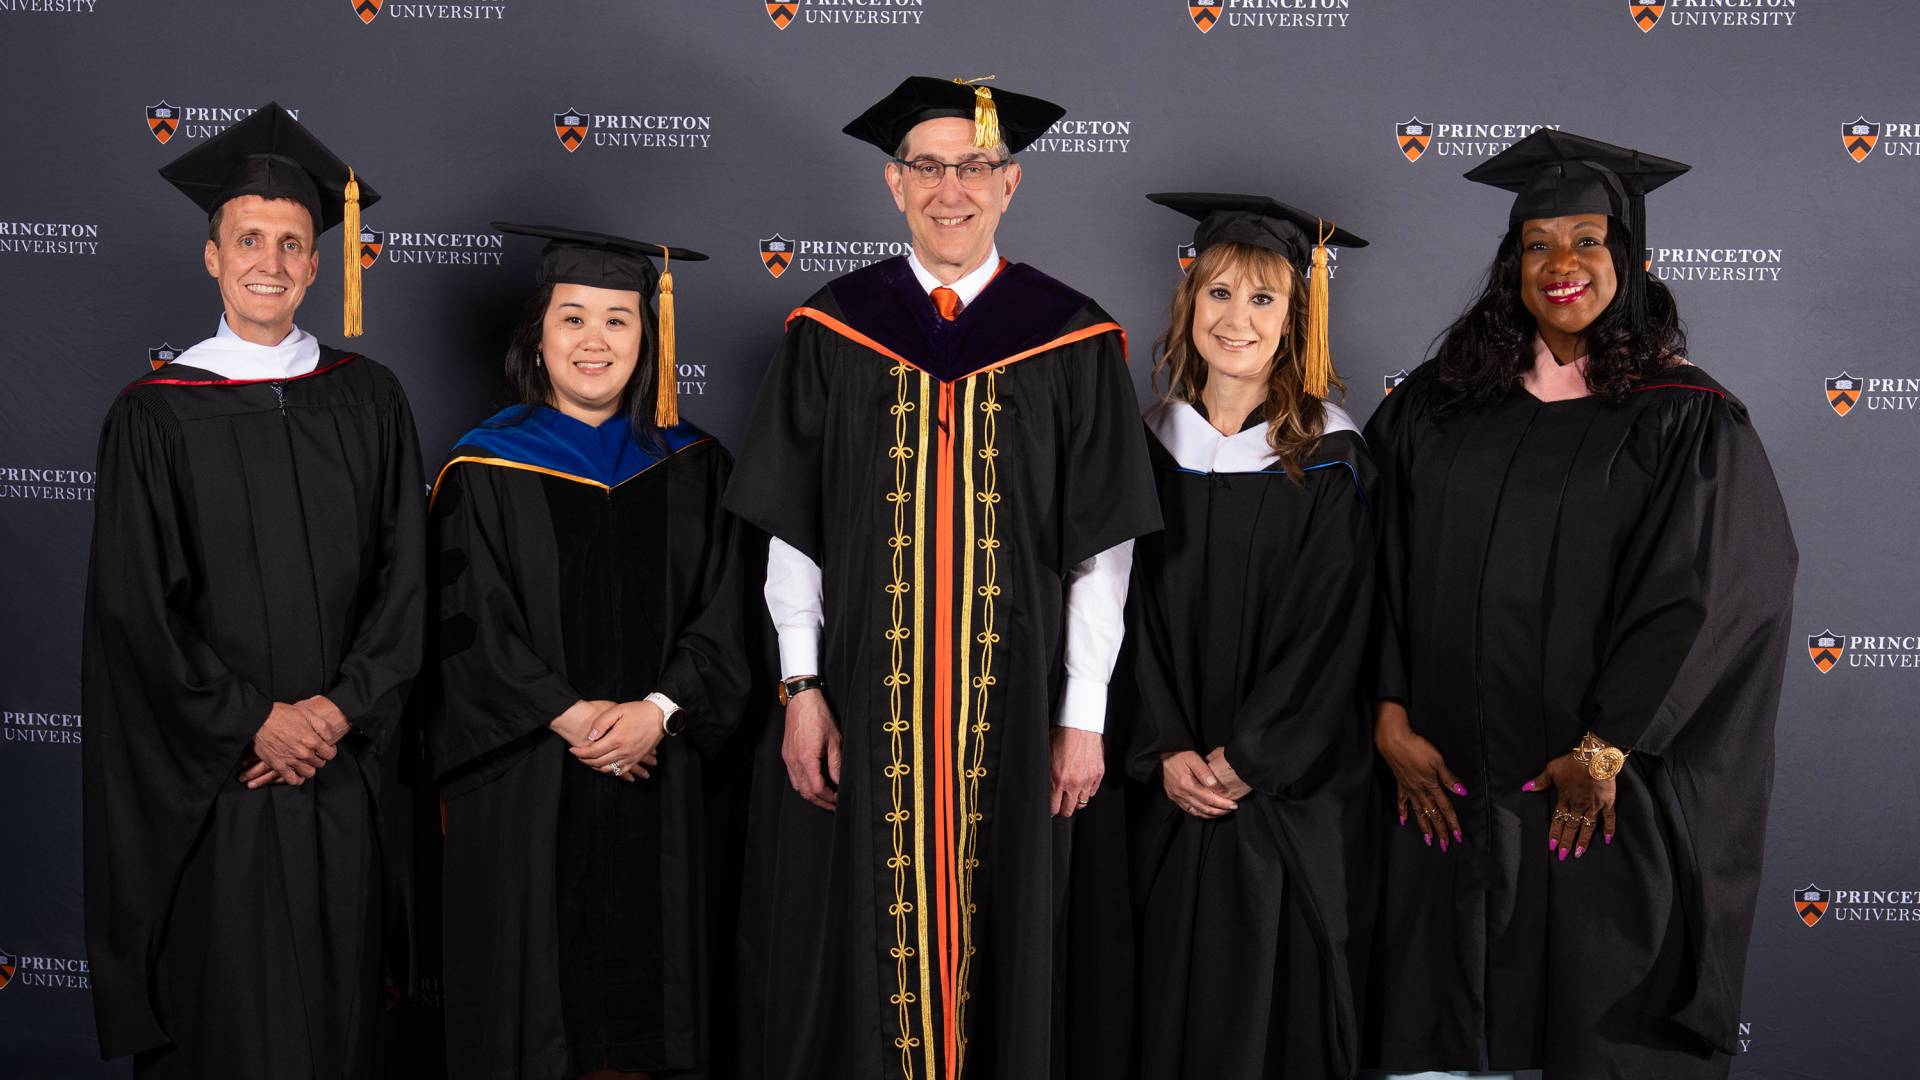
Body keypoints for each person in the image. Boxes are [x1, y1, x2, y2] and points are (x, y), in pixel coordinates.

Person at [725, 76, 1161, 1079]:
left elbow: (1105, 548)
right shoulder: (836, 331)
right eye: (928, 167)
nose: (950, 188)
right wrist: (799, 688)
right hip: (863, 699)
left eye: (974, 167)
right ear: (893, 184)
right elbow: (794, 529)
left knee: (1007, 934)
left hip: (1015, 703)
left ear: (1009, 185)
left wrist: (1084, 711)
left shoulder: (1072, 338)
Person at [1363, 131, 1797, 1079]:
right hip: (1444, 790)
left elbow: (1713, 597)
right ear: (1509, 264)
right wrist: (1389, 713)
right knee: (1440, 1027)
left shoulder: (1684, 418)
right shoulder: (1437, 409)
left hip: (1597, 803)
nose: (1561, 266)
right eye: (1537, 244)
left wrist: (1603, 753)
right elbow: (1375, 567)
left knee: (1593, 1028)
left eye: (1588, 241)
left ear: (1629, 260)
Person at [81, 102, 425, 1078]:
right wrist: (250, 722)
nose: (269, 261)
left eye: (291, 242)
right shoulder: (155, 415)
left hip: (339, 775)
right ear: (212, 257)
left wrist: (335, 710)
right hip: (219, 788)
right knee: (223, 1018)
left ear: (319, 264)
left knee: (340, 1023)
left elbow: (406, 586)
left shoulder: (369, 397)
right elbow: (134, 612)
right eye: (248, 240)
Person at [427, 224, 755, 1079]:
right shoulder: (482, 468)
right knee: (534, 1014)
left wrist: (658, 711)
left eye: (617, 319)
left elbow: (727, 617)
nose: (594, 341)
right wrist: (571, 718)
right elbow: (466, 625)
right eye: (572, 318)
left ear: (649, 338)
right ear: (536, 337)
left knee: (660, 1003)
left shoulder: (698, 466)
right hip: (530, 776)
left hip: (665, 770)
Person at [1126, 193, 1376, 1080]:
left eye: (1263, 299)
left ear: (1295, 318)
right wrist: (1163, 748)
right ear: (1188, 302)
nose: (1236, 319)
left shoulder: (1331, 458)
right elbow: (1124, 622)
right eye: (1219, 292)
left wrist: (1251, 759)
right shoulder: (1146, 446)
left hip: (1278, 792)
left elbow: (1332, 633)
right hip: (1166, 780)